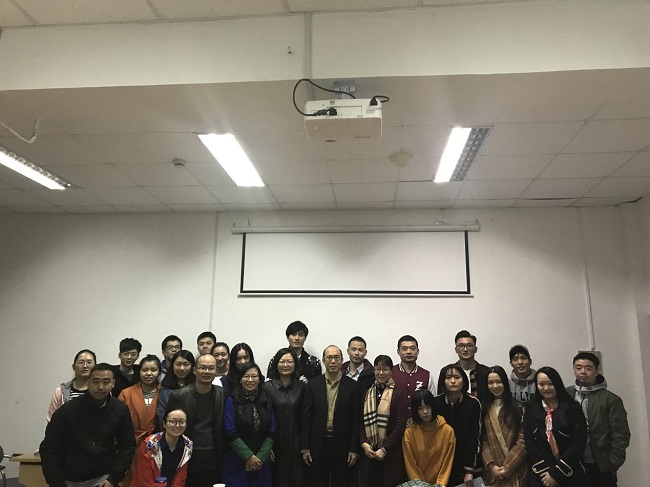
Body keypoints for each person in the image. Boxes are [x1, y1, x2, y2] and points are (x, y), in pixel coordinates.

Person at [40, 363, 136, 487]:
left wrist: (113, 478)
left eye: (106, 382)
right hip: (69, 479)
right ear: (88, 382)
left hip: (103, 478)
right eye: (96, 382)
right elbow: (49, 448)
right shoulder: (68, 410)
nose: (100, 387)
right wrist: (57, 482)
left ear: (113, 384)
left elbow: (127, 445)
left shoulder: (120, 410)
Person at [300, 345, 360, 487]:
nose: (333, 361)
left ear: (342, 360)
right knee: (317, 481)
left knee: (341, 481)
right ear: (323, 361)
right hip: (317, 444)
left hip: (343, 444)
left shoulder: (352, 386)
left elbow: (355, 420)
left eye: (336, 358)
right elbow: (306, 418)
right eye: (329, 358)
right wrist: (305, 447)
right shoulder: (312, 385)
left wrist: (354, 449)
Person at [567, 352, 630, 486]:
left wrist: (613, 463)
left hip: (601, 465)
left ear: (597, 371)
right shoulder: (566, 395)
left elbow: (621, 434)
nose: (583, 372)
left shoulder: (611, 399)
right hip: (573, 462)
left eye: (588, 368)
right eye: (578, 368)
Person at [166, 354, 226, 487]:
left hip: (213, 456)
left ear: (216, 371)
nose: (207, 371)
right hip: (186, 455)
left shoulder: (222, 394)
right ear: (194, 370)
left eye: (211, 368)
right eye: (202, 368)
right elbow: (168, 426)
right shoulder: (179, 396)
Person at [524, 367, 587, 487]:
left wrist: (556, 473)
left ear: (557, 384)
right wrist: (546, 474)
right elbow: (530, 442)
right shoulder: (530, 409)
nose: (546, 388)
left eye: (550, 384)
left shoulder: (572, 408)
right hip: (541, 474)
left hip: (569, 471)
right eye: (541, 384)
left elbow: (578, 443)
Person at [223, 363, 276, 487]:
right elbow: (229, 430)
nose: (250, 380)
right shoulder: (231, 400)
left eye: (254, 376)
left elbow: (272, 429)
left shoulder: (266, 399)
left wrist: (260, 457)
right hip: (236, 459)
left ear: (259, 379)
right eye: (246, 376)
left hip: (261, 461)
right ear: (240, 379)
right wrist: (248, 457)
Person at [359, 355, 408, 487]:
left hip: (391, 452)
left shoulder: (398, 392)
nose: (381, 373)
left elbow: (400, 424)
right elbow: (361, 421)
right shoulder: (368, 392)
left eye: (385, 369)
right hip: (370, 452)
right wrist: (364, 443)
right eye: (378, 369)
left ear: (391, 371)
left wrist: (385, 449)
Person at [434, 363, 482, 487]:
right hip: (441, 463)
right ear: (443, 381)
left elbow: (474, 437)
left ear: (464, 381)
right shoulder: (436, 402)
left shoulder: (473, 403)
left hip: (466, 463)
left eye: (457, 377)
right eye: (448, 377)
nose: (453, 381)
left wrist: (469, 470)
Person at [263, 348, 305, 487]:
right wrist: (266, 446)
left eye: (289, 361)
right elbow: (263, 419)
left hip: (296, 443)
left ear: (295, 364)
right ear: (276, 364)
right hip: (274, 443)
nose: (285, 365)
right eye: (282, 361)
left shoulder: (302, 387)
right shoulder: (266, 388)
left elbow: (305, 418)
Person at [118, 355, 162, 487]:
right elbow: (117, 422)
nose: (149, 373)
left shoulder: (165, 393)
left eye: (153, 370)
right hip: (131, 444)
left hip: (157, 446)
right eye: (145, 370)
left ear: (159, 372)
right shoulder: (126, 393)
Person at [481, 366, 527, 487]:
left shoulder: (518, 408)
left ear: (505, 383)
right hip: (493, 473)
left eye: (499, 382)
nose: (495, 386)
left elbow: (523, 440)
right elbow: (483, 440)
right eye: (491, 383)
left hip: (516, 470)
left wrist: (508, 467)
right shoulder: (484, 409)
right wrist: (491, 466)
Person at [402, 389, 456, 487]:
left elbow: (448, 462)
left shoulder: (447, 431)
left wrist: (440, 484)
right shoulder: (410, 432)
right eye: (420, 408)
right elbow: (410, 464)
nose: (425, 412)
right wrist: (421, 485)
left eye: (428, 407)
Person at [131, 409, 193, 487]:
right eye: (173, 421)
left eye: (182, 422)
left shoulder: (187, 445)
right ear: (164, 424)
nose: (177, 425)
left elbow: (180, 478)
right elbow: (144, 480)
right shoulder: (149, 445)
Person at [438, 330, 490, 403]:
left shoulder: (486, 372)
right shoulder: (447, 372)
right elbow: (441, 399)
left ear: (475, 349)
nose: (465, 349)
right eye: (461, 346)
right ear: (456, 349)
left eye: (469, 346)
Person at [47, 349, 96, 422]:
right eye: (81, 362)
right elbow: (51, 419)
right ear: (73, 367)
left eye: (89, 362)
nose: (85, 366)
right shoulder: (60, 392)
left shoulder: (101, 391)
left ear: (95, 366)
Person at [392, 335, 435, 412]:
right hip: (394, 419)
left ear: (417, 351)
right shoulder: (390, 373)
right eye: (404, 349)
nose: (409, 352)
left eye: (412, 348)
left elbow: (432, 402)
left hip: (419, 420)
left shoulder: (426, 375)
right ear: (398, 352)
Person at [157, 350, 196, 425]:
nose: (182, 368)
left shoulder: (198, 388)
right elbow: (162, 416)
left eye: (186, 364)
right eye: (178, 364)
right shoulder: (165, 391)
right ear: (172, 366)